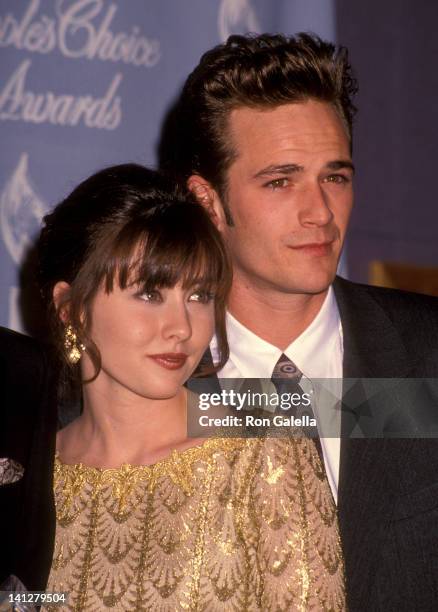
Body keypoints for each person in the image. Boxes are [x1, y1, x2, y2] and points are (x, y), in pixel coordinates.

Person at [160, 33, 438, 611]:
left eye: (334, 176)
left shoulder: (427, 352)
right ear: (208, 201)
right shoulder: (137, 386)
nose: (320, 212)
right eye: (280, 181)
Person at [1, 164, 345, 610]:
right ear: (72, 309)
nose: (181, 327)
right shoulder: (29, 472)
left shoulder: (264, 453)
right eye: (149, 294)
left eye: (200, 296)